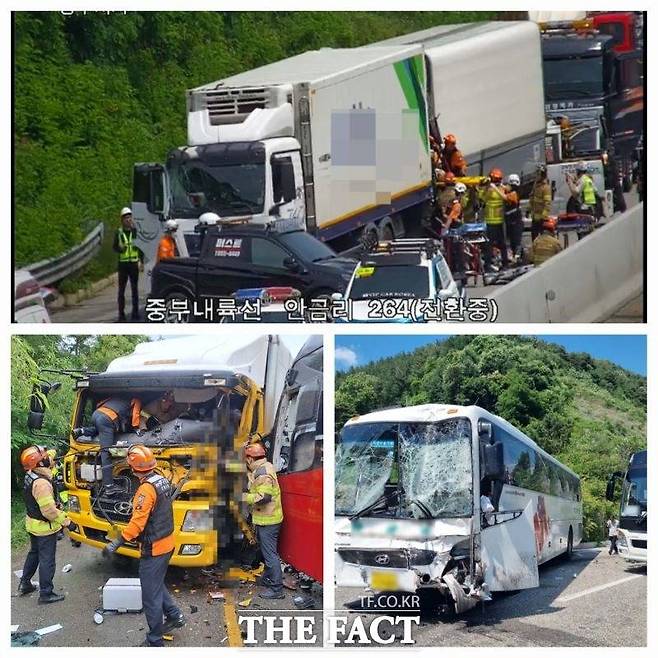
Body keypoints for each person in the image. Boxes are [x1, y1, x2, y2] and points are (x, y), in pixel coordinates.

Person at [102, 445, 185, 647]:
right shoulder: (161, 480)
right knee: (155, 584)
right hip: (167, 543)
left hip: (154, 548)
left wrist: (115, 544)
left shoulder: (146, 489)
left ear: (133, 468)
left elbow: (137, 525)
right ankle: (175, 616)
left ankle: (155, 640)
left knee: (150, 596)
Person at [18, 445, 76, 603]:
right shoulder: (42, 484)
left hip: (32, 525)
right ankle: (46, 593)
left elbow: (49, 454)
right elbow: (49, 511)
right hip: (44, 528)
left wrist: (55, 448)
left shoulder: (31, 473)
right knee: (47, 560)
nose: (49, 458)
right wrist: (67, 523)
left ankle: (25, 583)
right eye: (44, 457)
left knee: (34, 554)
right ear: (40, 463)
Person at [72, 397, 152, 496]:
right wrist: (137, 429)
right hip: (107, 418)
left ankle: (82, 431)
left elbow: (99, 404)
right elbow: (135, 416)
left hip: (97, 414)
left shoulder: (117, 400)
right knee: (106, 452)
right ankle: (109, 486)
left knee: (100, 428)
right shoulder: (137, 400)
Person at [243, 443, 284, 600]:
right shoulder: (264, 467)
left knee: (270, 554)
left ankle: (276, 589)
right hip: (265, 519)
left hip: (269, 520)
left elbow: (263, 498)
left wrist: (243, 498)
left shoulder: (262, 473)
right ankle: (268, 579)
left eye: (246, 459)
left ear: (250, 458)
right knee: (266, 552)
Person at [114, 207, 144, 322]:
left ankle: (135, 314)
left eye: (129, 217)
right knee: (121, 291)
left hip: (133, 264)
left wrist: (141, 261)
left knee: (134, 290)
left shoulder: (135, 232)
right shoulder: (119, 232)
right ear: (122, 220)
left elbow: (140, 247)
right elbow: (114, 247)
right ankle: (121, 315)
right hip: (123, 264)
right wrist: (119, 249)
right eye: (126, 218)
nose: (128, 220)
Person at [478, 168, 510, 271]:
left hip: (500, 221)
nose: (496, 181)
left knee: (502, 244)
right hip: (490, 221)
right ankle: (488, 265)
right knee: (489, 245)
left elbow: (505, 196)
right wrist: (487, 188)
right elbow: (482, 198)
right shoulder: (488, 189)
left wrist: (496, 188)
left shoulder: (502, 188)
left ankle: (505, 264)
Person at [443, 182, 467, 277]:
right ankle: (460, 271)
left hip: (453, 230)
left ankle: (457, 270)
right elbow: (450, 218)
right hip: (455, 230)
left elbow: (445, 214)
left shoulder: (452, 202)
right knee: (458, 251)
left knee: (454, 251)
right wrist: (445, 229)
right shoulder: (457, 205)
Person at [529, 165, 552, 241]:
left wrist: (543, 217)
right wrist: (528, 210)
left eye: (538, 174)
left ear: (542, 175)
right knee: (534, 239)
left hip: (542, 219)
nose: (536, 176)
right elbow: (532, 198)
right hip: (535, 218)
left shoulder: (546, 188)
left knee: (543, 239)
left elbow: (547, 204)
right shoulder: (536, 185)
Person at [504, 174, 524, 260]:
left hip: (516, 222)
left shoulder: (514, 193)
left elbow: (505, 197)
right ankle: (515, 257)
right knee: (512, 242)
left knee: (516, 242)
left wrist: (494, 187)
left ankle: (518, 257)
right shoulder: (511, 191)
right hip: (510, 221)